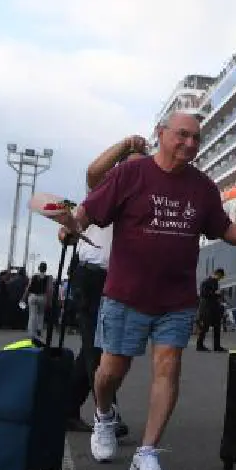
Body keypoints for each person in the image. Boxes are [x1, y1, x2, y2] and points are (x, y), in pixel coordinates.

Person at [65, 112, 236, 470]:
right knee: (111, 370)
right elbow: (89, 209)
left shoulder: (203, 187)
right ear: (161, 134)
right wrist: (71, 225)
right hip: (127, 293)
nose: (190, 144)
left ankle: (147, 453)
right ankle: (104, 413)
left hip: (176, 297)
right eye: (182, 135)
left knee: (168, 367)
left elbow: (222, 227)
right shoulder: (131, 173)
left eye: (196, 138)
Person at [61, 135, 147, 434]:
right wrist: (127, 145)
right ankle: (108, 412)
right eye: (132, 167)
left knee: (99, 346)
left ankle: (67, 408)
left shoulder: (144, 196)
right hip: (92, 274)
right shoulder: (107, 188)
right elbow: (92, 171)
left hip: (120, 279)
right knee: (97, 347)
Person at [196, 268, 225, 351]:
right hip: (206, 308)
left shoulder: (216, 283)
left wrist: (219, 296)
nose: (221, 279)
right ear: (218, 274)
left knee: (217, 327)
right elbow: (203, 293)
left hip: (214, 308)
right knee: (204, 327)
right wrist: (215, 293)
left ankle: (217, 346)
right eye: (221, 277)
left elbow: (214, 295)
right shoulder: (206, 282)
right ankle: (199, 345)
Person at [25, 262, 50, 338]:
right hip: (42, 297)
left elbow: (28, 288)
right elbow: (49, 289)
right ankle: (39, 329)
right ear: (46, 269)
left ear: (39, 268)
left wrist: (23, 297)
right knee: (41, 314)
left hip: (33, 296)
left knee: (32, 315)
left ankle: (31, 332)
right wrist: (49, 300)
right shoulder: (48, 277)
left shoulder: (34, 276)